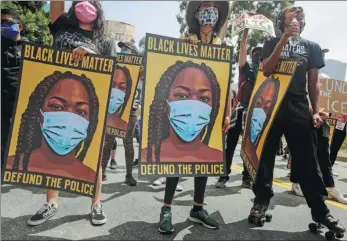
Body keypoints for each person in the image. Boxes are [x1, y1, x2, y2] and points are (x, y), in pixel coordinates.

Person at [249, 5, 345, 234]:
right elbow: (266, 70)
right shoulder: (272, 42)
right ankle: (260, 203)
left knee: (308, 162)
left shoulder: (311, 47)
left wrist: (315, 110)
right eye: (292, 10)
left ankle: (321, 212)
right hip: (272, 107)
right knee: (266, 158)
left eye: (302, 12)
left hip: (298, 106)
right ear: (282, 20)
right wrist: (283, 40)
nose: (299, 11)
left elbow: (314, 83)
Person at [27, 1, 115, 226]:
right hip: (56, 100)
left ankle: (96, 204)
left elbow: (114, 71)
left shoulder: (104, 40)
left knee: (93, 156)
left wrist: (92, 55)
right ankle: (51, 203)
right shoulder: (63, 26)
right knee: (52, 152)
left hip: (88, 106)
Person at [157, 1, 231, 234]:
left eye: (214, 7)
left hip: (208, 108)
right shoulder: (186, 40)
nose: (210, 12)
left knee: (203, 160)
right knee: (177, 159)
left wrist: (227, 113)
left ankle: (197, 208)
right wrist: (183, 45)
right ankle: (166, 208)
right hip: (185, 104)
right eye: (204, 6)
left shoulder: (222, 46)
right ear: (196, 15)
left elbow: (226, 83)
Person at [6, 71, 98, 182]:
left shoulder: (90, 177)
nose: (68, 119)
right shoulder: (9, 165)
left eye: (81, 112)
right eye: (57, 106)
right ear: (38, 114)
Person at [141, 61, 223, 163]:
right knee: (172, 179)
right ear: (165, 102)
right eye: (182, 95)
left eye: (203, 98)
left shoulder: (217, 158)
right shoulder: (147, 156)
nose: (193, 106)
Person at [215, 29, 261, 189]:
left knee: (249, 147)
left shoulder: (265, 74)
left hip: (254, 114)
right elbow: (242, 47)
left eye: (260, 55)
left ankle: (246, 178)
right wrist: (245, 35)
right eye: (255, 54)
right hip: (239, 111)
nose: (257, 57)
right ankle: (223, 175)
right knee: (230, 145)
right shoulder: (245, 68)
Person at [101, 41, 139, 186]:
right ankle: (102, 172)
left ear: (134, 54)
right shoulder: (115, 67)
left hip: (131, 112)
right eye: (121, 48)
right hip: (112, 110)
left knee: (128, 142)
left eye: (127, 49)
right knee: (108, 141)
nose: (123, 51)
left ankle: (129, 175)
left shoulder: (141, 71)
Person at [291, 109, 347, 204]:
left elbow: (333, 104)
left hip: (324, 124)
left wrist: (328, 114)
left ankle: (329, 187)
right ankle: (296, 183)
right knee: (302, 152)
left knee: (324, 156)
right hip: (307, 119)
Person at [1, 9, 24, 169]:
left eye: (7, 22)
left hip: (23, 100)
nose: (3, 26)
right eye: (0, 23)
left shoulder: (31, 48)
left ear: (19, 26)